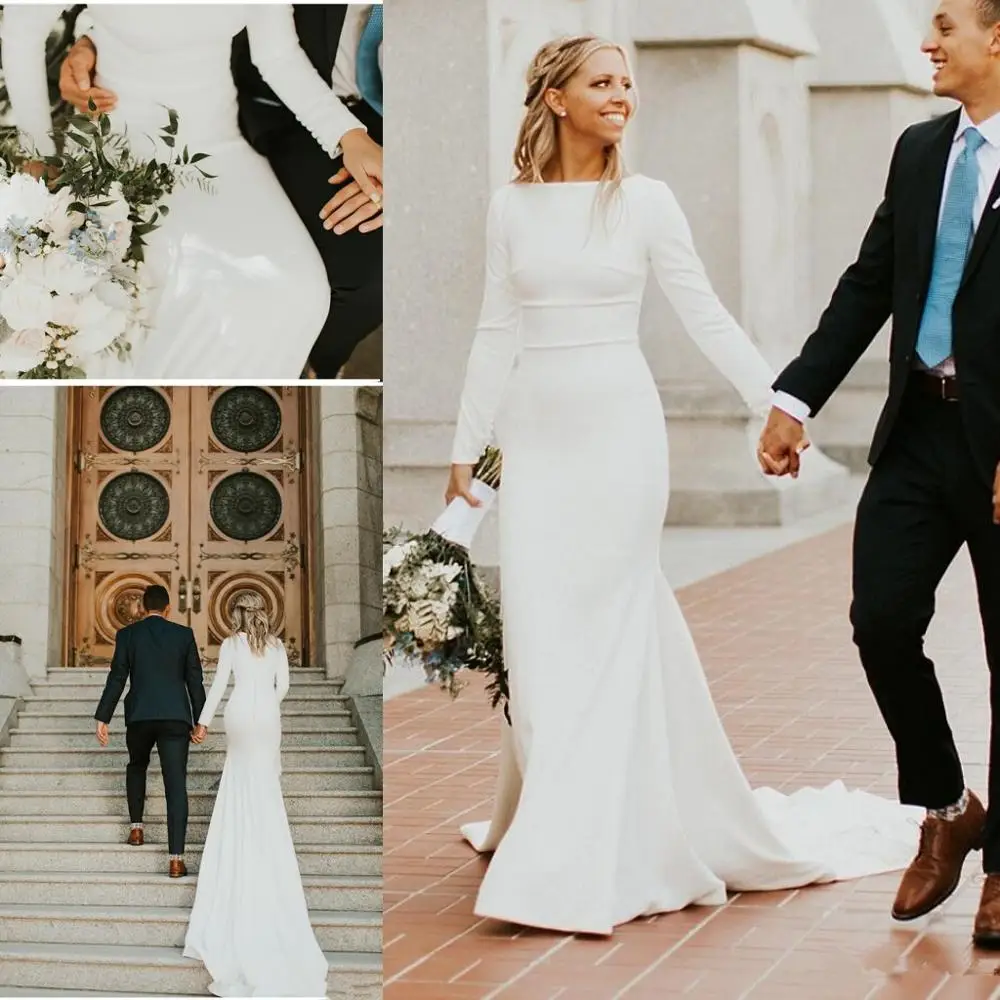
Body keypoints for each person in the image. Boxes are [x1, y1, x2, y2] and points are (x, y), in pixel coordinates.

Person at [445, 34, 922, 937]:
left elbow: (704, 311)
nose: (622, 95)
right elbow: (493, 329)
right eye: (602, 82)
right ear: (554, 98)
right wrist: (469, 445)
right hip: (536, 434)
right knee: (544, 631)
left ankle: (585, 849)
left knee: (613, 616)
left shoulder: (649, 203)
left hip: (621, 434)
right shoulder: (509, 207)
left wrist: (777, 404)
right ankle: (559, 810)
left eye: (629, 83)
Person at [759, 0, 1000, 946]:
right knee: (882, 621)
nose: (927, 43)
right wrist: (795, 397)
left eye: (944, 24)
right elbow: (870, 279)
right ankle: (946, 807)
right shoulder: (918, 148)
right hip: (919, 434)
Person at [0, 5, 371, 378]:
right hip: (115, 140)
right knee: (159, 290)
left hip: (217, 146)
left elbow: (277, 56)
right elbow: (22, 28)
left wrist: (347, 135)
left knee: (300, 289)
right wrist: (39, 154)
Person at [183, 592, 327, 998]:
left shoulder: (231, 645)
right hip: (267, 715)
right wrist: (267, 703)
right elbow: (285, 686)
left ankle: (241, 837)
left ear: (237, 615)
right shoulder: (278, 646)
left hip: (238, 715)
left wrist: (203, 723)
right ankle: (263, 836)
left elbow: (217, 688)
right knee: (263, 781)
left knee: (239, 776)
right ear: (263, 613)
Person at [93, 584, 206, 880]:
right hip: (175, 717)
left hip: (140, 715)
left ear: (143, 608)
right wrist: (201, 719)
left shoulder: (128, 635)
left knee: (137, 765)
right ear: (168, 608)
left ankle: (137, 829)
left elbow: (117, 677)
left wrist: (103, 716)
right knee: (175, 783)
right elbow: (195, 680)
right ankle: (176, 860)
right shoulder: (184, 635)